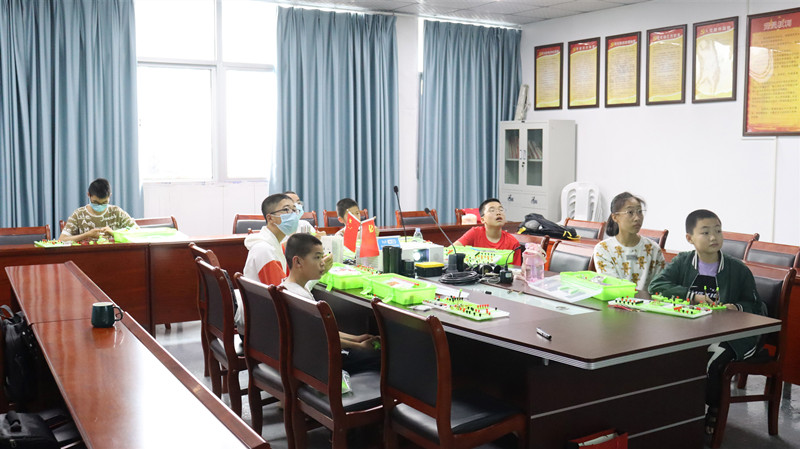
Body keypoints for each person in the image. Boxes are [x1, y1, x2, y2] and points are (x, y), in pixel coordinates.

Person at [649, 209, 765, 436]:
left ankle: (714, 408)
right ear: (689, 238)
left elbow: (756, 305)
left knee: (712, 359)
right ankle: (681, 411)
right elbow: (657, 286)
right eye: (705, 232)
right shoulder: (682, 262)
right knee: (665, 354)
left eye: (718, 231)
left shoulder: (737, 269)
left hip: (734, 335)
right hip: (692, 330)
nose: (714, 237)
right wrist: (692, 296)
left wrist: (736, 308)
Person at [281, 233, 380, 374]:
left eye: (322, 257)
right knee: (381, 358)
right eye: (317, 257)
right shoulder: (302, 299)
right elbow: (323, 338)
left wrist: (357, 338)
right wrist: (359, 346)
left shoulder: (287, 287)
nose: (322, 262)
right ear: (297, 262)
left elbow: (323, 331)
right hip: (322, 364)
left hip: (307, 359)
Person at [593, 192, 665, 290]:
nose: (637, 218)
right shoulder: (603, 249)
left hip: (647, 300)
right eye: (630, 212)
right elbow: (613, 287)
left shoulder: (653, 249)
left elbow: (660, 286)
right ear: (615, 217)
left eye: (640, 211)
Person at [243, 193, 297, 285]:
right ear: (270, 218)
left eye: (294, 210)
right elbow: (281, 290)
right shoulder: (264, 249)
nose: (293, 215)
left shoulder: (276, 245)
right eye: (286, 210)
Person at [59, 178, 136, 242]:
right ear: (89, 195)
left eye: (104, 202)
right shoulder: (78, 214)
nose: (100, 206)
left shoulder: (117, 212)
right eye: (95, 202)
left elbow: (138, 234)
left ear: (110, 196)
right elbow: (62, 240)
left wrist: (114, 233)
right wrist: (87, 235)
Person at [454, 198, 522, 265]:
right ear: (483, 220)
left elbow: (516, 269)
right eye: (492, 210)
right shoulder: (475, 233)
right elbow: (452, 250)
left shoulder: (513, 243)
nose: (498, 213)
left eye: (501, 210)